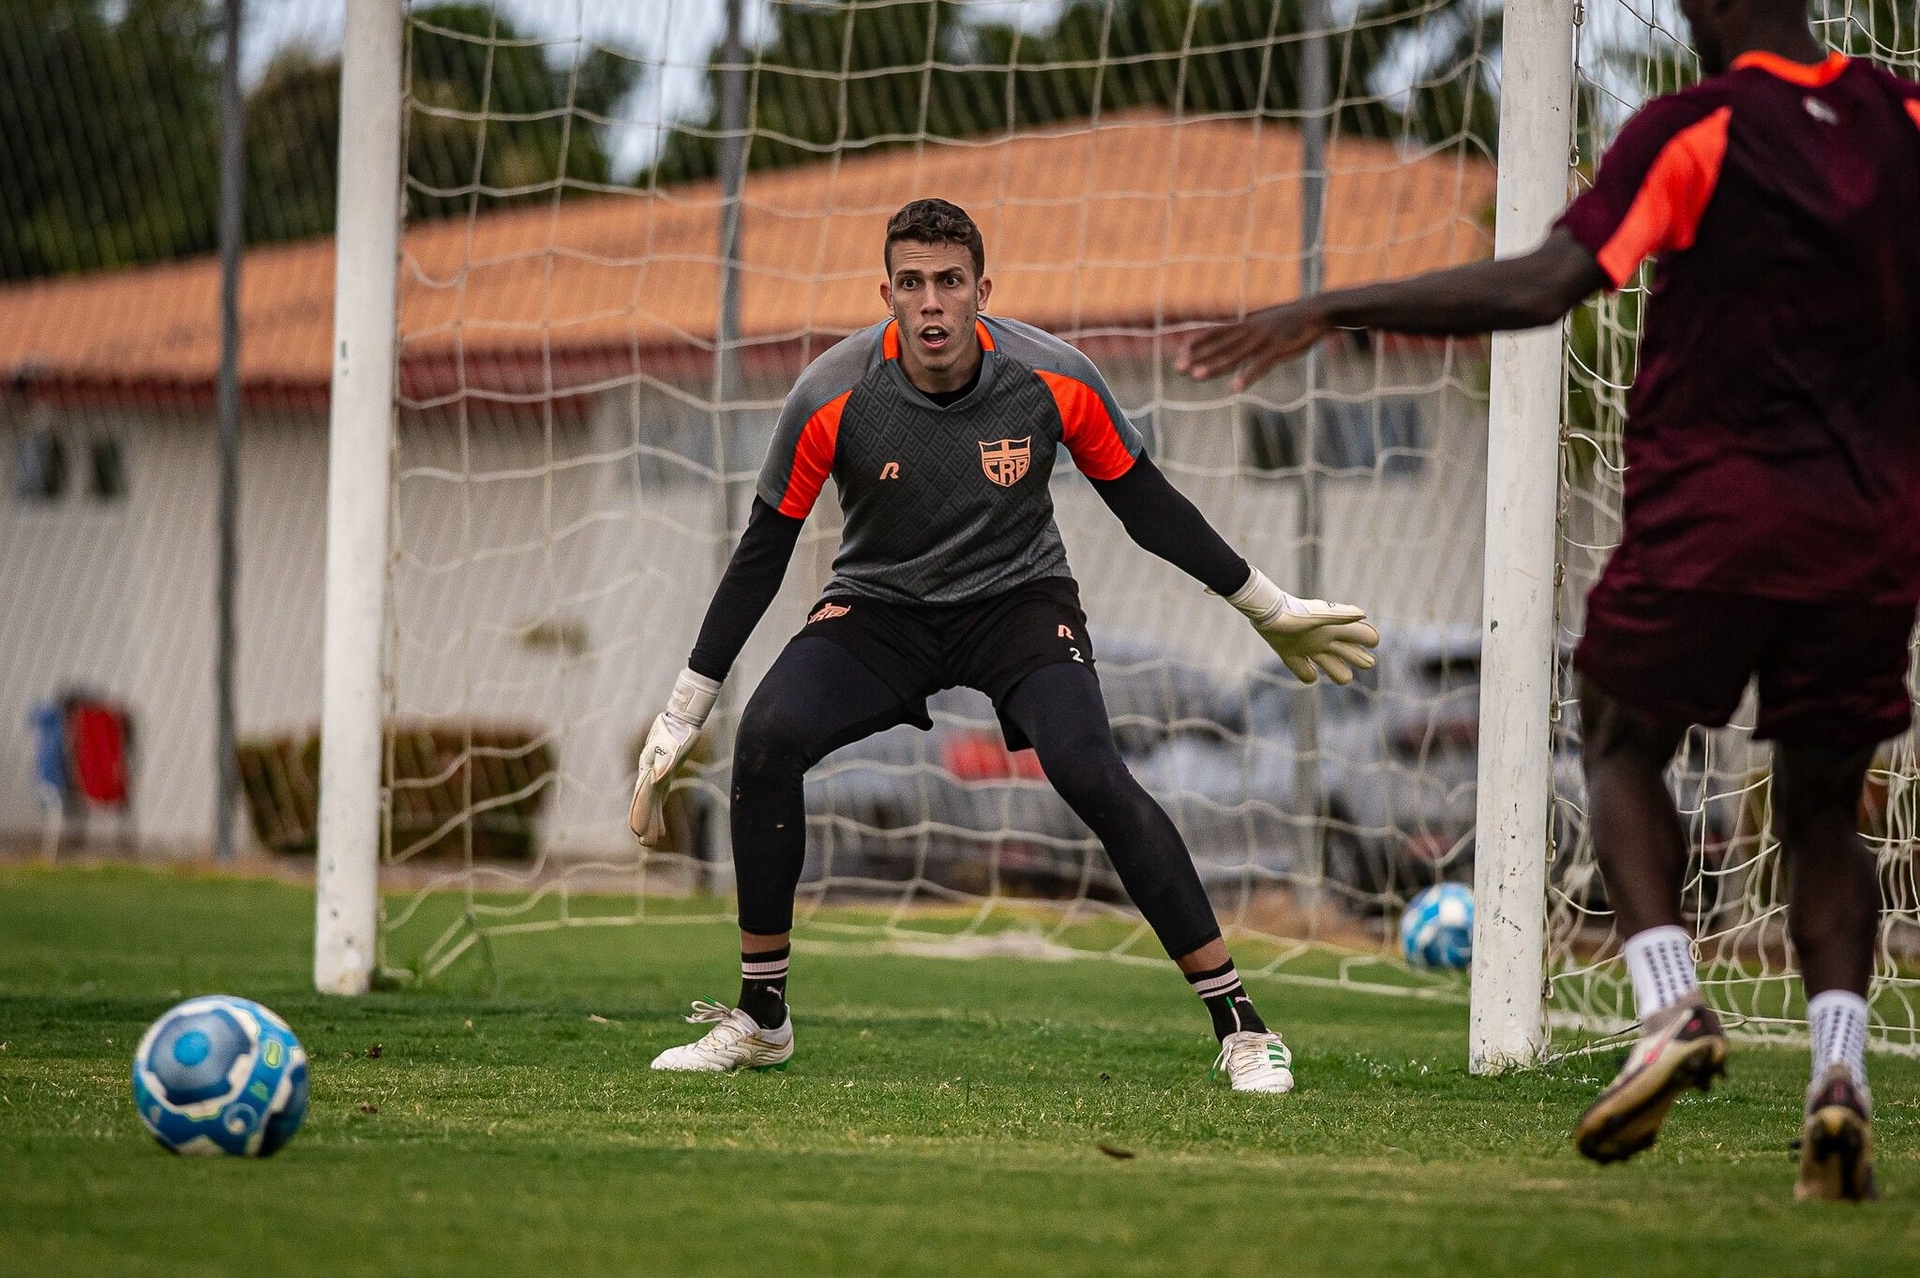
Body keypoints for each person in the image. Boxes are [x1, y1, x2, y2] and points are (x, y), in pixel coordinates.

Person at [1179, 0, 1918, 1199]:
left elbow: (1545, 283)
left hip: (1716, 516)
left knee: (1621, 733)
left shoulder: (1698, 129)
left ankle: (1672, 1005)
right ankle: (1842, 1081)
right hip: (1873, 534)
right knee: (1825, 813)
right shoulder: (1904, 120)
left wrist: (1333, 306)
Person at [628, 198, 1379, 1093]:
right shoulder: (830, 393)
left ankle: (1242, 1026)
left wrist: (1265, 604)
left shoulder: (1054, 377)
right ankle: (761, 1018)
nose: (932, 303)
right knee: (765, 738)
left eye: (950, 282)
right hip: (880, 610)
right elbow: (761, 555)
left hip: (1018, 604)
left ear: (984, 290)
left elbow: (1146, 507)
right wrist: (686, 708)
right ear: (887, 294)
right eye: (913, 284)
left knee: (1092, 770)